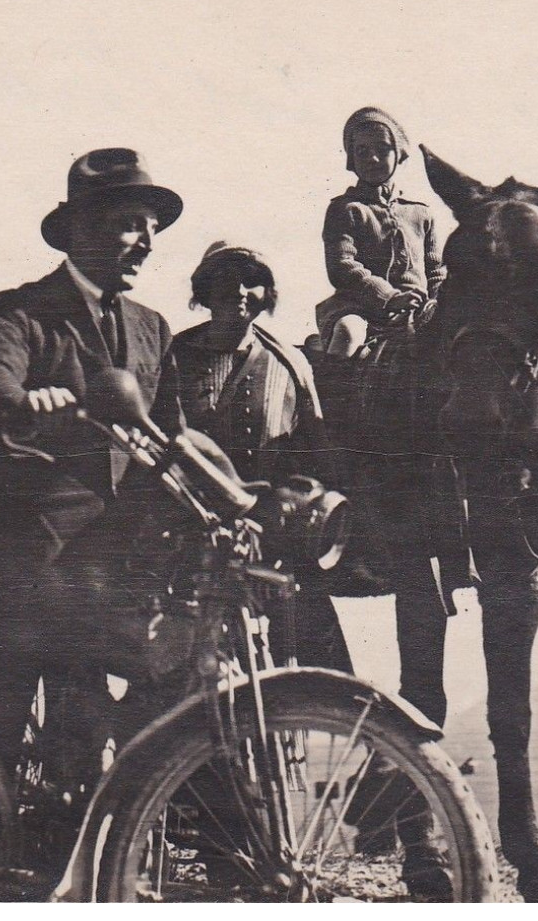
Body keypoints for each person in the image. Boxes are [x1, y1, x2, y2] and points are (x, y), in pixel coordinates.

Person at [0, 147, 186, 873]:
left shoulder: (152, 327)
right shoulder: (19, 311)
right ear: (79, 229)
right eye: (127, 224)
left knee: (85, 743)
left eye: (149, 227)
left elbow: (166, 435)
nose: (143, 241)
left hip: (109, 570)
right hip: (26, 565)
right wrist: (25, 405)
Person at [172, 242, 349, 669]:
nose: (239, 290)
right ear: (204, 291)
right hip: (187, 534)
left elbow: (318, 450)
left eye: (252, 280)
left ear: (266, 294)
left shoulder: (291, 364)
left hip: (271, 538)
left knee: (302, 667)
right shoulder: (172, 357)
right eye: (225, 278)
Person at [315, 107, 446, 356]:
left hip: (418, 311)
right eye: (362, 151)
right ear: (351, 159)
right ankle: (331, 395)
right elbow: (343, 267)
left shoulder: (421, 213)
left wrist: (438, 301)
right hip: (360, 310)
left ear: (398, 154)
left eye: (382, 149)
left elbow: (436, 271)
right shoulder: (345, 209)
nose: (372, 158)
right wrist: (388, 297)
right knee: (347, 335)